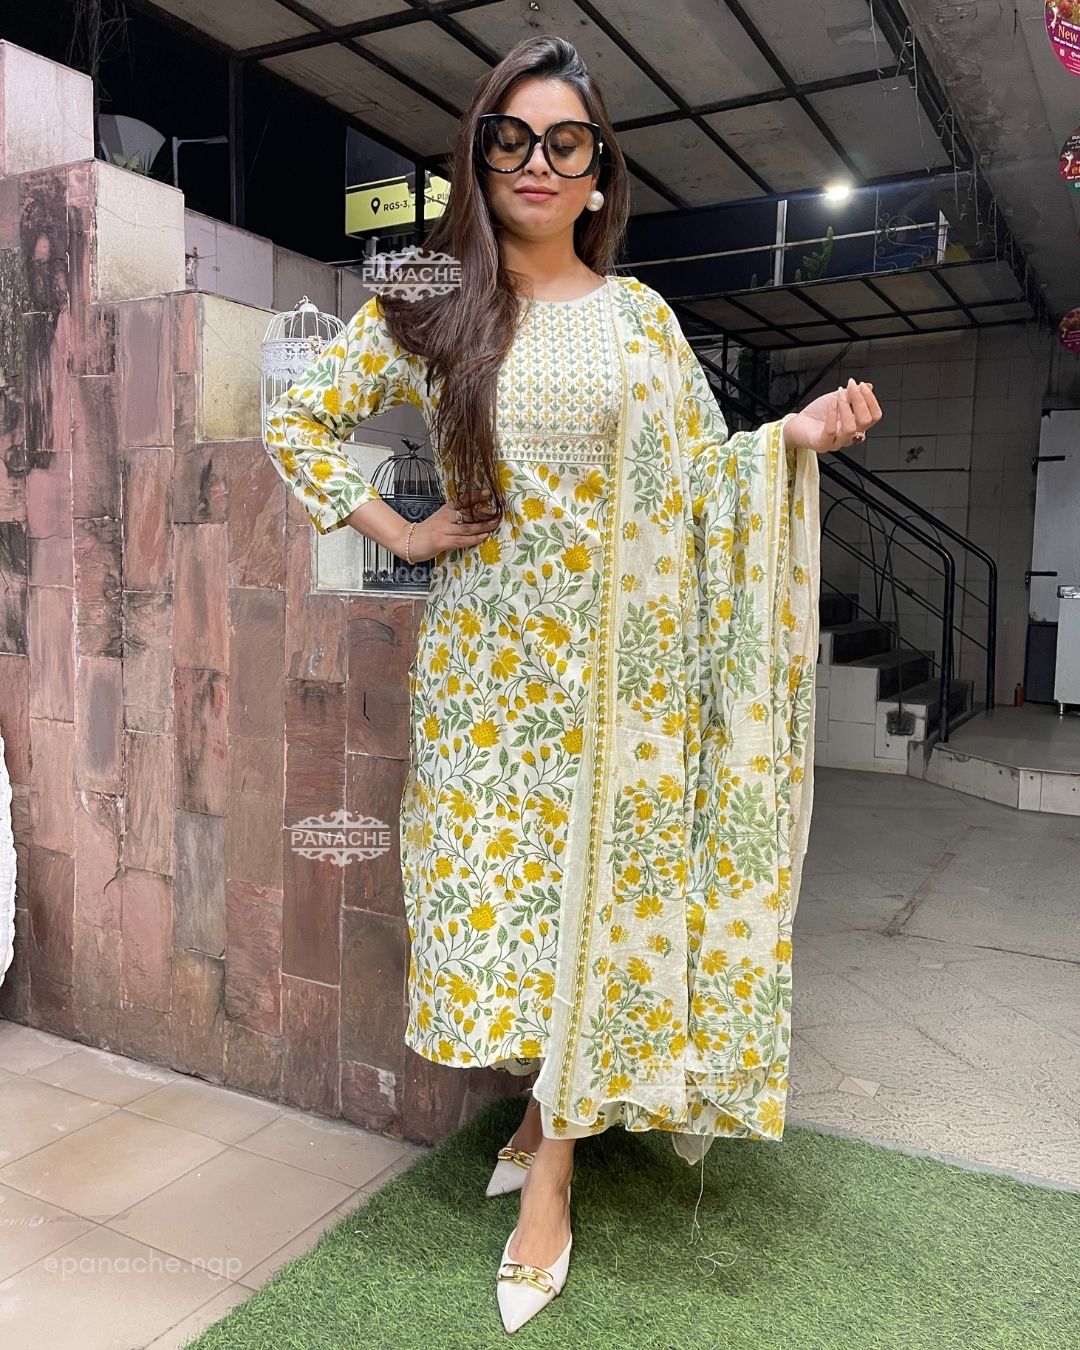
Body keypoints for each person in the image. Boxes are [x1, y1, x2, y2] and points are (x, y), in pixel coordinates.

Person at [264, 33, 882, 1336]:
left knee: (595, 916)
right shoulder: (433, 304)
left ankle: (552, 1172)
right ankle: (545, 1103)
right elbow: (296, 419)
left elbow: (696, 481)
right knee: (500, 919)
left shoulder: (639, 321)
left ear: (600, 172)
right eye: (511, 139)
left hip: (615, 684)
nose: (537, 164)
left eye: (565, 143)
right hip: (484, 684)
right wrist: (403, 532)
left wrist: (791, 438)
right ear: (479, 160)